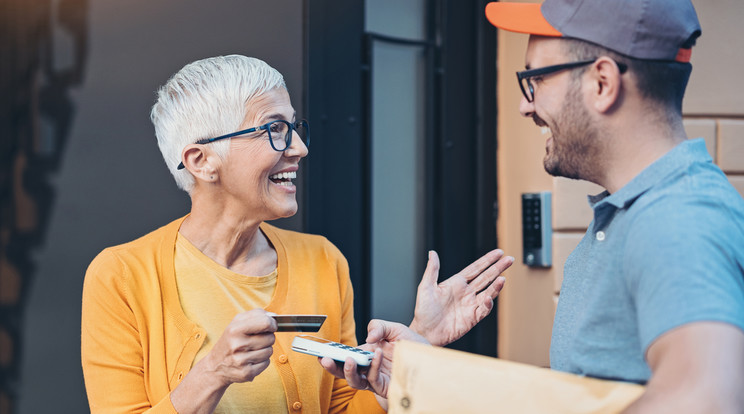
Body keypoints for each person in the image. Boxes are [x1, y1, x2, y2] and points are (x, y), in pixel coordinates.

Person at [329, 0, 744, 412]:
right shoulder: (632, 215)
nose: (525, 105)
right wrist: (425, 374)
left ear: (602, 83)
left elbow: (705, 400)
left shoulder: (678, 219)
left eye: (535, 79)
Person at [80, 55, 514, 413]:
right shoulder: (121, 277)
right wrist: (213, 372)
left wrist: (416, 343)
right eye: (273, 129)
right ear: (201, 162)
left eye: (293, 127)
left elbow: (344, 407)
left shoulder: (322, 260)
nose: (299, 148)